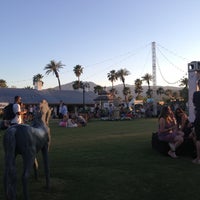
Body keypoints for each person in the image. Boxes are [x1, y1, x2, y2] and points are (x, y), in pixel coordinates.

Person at [192, 79, 200, 164]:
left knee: (198, 139)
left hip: (199, 118)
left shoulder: (196, 94)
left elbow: (194, 104)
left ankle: (198, 159)